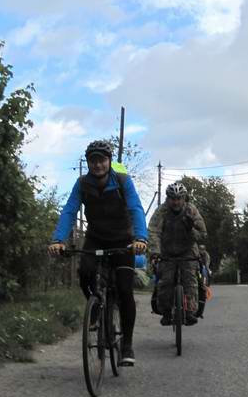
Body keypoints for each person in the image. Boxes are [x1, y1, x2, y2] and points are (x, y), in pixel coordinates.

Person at [48, 140, 147, 366]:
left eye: (102, 160)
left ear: (109, 161)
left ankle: (127, 345)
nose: (98, 165)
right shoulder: (82, 184)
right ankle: (95, 307)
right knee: (85, 272)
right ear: (88, 162)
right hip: (96, 238)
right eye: (93, 161)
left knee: (124, 290)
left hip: (123, 240)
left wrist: (141, 238)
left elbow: (135, 208)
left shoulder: (122, 181)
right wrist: (57, 240)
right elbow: (69, 210)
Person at [147, 182, 207, 326]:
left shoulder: (191, 210)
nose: (176, 202)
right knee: (165, 282)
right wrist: (155, 252)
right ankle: (166, 312)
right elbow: (153, 231)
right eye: (172, 198)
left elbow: (203, 235)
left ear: (184, 198)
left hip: (188, 252)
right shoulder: (162, 211)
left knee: (190, 282)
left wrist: (191, 228)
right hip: (167, 252)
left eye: (179, 198)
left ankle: (190, 312)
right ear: (167, 199)